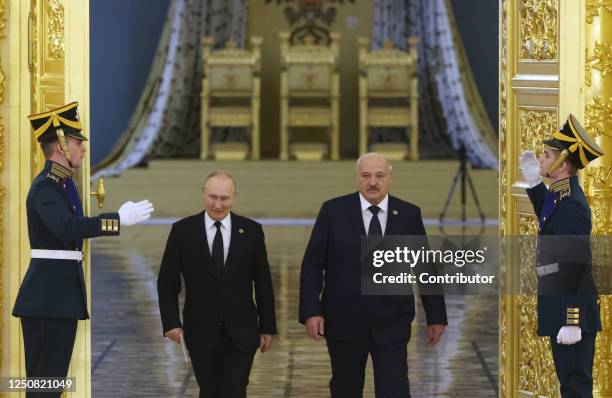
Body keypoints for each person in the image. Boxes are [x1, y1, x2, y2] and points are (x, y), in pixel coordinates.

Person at [12, 101, 154, 396]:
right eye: (79, 142)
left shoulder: (63, 185)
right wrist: (117, 221)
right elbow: (67, 228)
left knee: (52, 384)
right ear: (61, 145)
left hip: (58, 297)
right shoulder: (46, 188)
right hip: (46, 299)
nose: (83, 149)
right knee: (43, 386)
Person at [299, 152, 447, 398]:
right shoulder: (333, 211)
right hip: (344, 322)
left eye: (379, 176)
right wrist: (311, 311)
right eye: (366, 175)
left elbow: (424, 268)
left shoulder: (408, 214)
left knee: (395, 390)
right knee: (345, 389)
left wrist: (436, 317)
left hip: (392, 322)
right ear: (357, 179)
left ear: (390, 178)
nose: (372, 182)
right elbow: (313, 265)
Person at [157, 170, 276, 398]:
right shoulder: (183, 231)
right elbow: (167, 281)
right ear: (203, 194)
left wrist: (267, 326)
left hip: (242, 331)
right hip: (200, 330)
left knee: (235, 390)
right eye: (213, 197)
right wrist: (170, 322)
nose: (218, 204)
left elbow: (263, 281)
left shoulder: (251, 231)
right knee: (209, 391)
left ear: (234, 197)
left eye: (224, 198)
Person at [519, 114, 603, 398]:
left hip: (571, 310)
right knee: (569, 385)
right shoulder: (560, 195)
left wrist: (572, 319)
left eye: (546, 155)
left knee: (576, 388)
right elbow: (550, 216)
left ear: (563, 163)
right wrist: (533, 184)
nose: (541, 159)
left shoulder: (573, 206)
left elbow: (574, 266)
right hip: (559, 302)